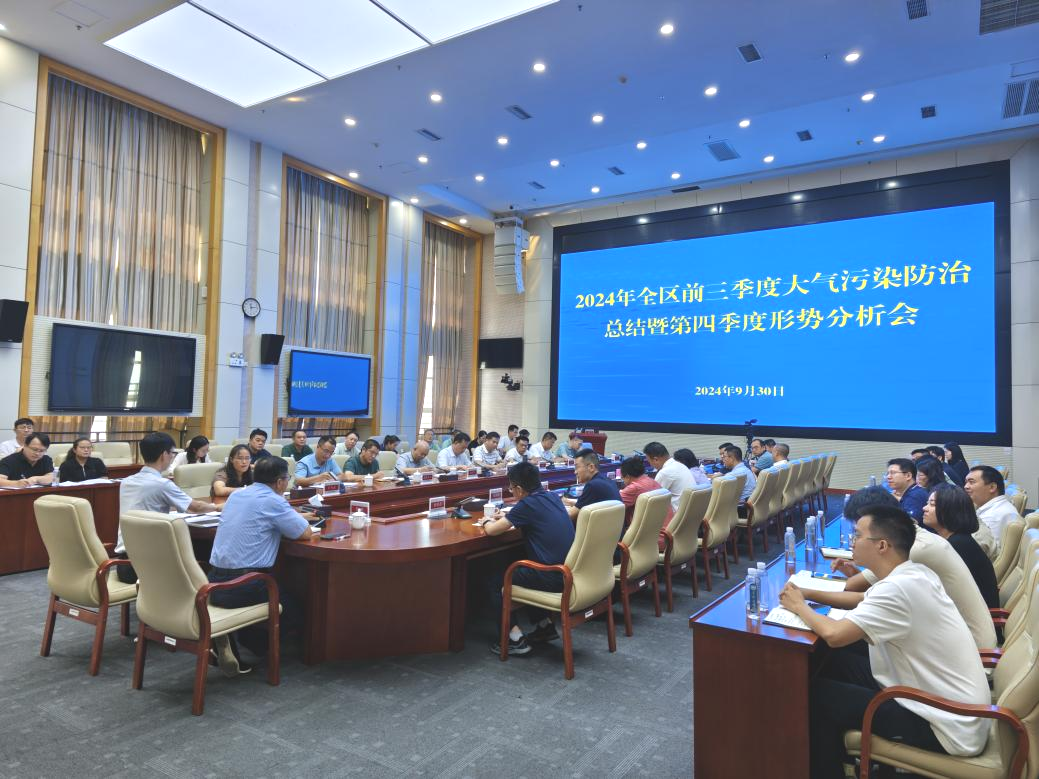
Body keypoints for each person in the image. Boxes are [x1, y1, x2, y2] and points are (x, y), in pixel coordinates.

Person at [780, 505, 990, 779]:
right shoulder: (913, 573)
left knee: (820, 696)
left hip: (946, 723)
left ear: (881, 545)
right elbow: (862, 599)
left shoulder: (898, 588)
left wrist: (799, 607)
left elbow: (834, 635)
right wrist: (807, 593)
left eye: (858, 535)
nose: (852, 540)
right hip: (941, 698)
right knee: (835, 662)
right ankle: (837, 753)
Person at [823, 486, 996, 652]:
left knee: (839, 646)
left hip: (970, 648)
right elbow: (873, 591)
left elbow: (854, 589)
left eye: (858, 532)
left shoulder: (913, 549)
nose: (854, 539)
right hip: (956, 638)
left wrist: (808, 591)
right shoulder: (917, 537)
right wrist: (855, 575)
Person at [208, 456, 313, 665]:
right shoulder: (274, 500)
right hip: (245, 585)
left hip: (214, 582)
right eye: (287, 479)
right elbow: (305, 533)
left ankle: (231, 638)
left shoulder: (237, 495)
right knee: (297, 609)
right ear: (280, 482)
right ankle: (253, 643)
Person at [480, 462, 575, 656]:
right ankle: (544, 626)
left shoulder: (527, 504)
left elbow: (492, 531)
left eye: (511, 488)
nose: (511, 491)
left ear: (519, 489)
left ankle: (514, 639)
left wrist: (487, 520)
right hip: (567, 571)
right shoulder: (552, 496)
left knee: (494, 581)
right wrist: (508, 515)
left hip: (552, 576)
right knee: (524, 566)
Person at [118, 432, 217, 583]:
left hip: (124, 564)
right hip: (148, 566)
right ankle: (205, 593)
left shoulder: (127, 482)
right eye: (172, 453)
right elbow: (195, 508)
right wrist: (218, 507)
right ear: (164, 454)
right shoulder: (162, 484)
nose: (172, 457)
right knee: (206, 548)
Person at [923, 484, 999, 609]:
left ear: (949, 510)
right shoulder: (957, 539)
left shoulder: (958, 545)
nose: (924, 508)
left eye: (932, 504)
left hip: (975, 618)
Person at [964, 465, 1018, 558]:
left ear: (992, 487)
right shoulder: (996, 507)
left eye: (971, 482)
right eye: (966, 482)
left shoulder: (993, 516)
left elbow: (981, 551)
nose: (966, 486)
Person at [563, 448, 621, 520]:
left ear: (591, 467)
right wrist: (569, 502)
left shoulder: (592, 486)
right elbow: (585, 504)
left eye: (577, 467)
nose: (575, 472)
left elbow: (569, 515)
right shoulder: (609, 481)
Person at [645, 441, 693, 514]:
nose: (651, 465)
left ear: (656, 459)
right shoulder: (681, 465)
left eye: (649, 462)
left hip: (676, 515)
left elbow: (653, 499)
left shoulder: (665, 472)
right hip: (689, 513)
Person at [885, 458, 927, 522]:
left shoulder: (916, 495)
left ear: (908, 476)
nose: (888, 477)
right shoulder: (908, 493)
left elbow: (908, 523)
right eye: (887, 473)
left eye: (893, 473)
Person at [618, 457, 660, 521]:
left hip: (648, 525)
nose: (622, 481)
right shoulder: (651, 480)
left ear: (627, 477)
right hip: (660, 522)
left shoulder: (634, 487)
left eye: (622, 478)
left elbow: (614, 506)